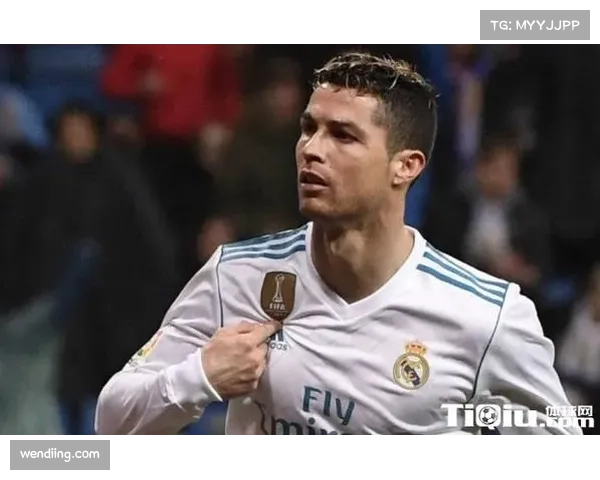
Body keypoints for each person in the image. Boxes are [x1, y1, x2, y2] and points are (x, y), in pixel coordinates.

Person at [95, 52, 581, 437]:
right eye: (309, 128)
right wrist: (199, 376)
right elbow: (112, 422)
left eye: (343, 136)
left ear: (406, 166)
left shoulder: (488, 317)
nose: (312, 149)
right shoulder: (236, 275)